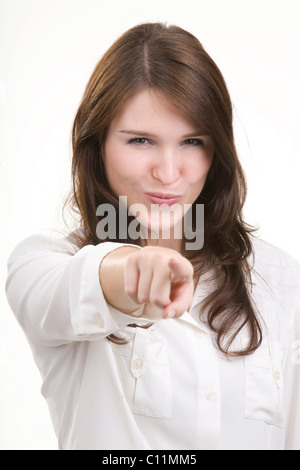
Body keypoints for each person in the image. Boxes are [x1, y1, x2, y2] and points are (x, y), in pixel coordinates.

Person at [5, 22, 300, 450]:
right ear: (98, 144)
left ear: (216, 151)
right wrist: (131, 268)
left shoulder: (280, 279)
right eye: (140, 140)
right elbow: (71, 289)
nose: (167, 172)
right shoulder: (43, 263)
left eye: (192, 141)